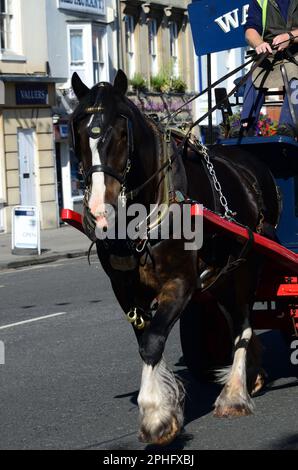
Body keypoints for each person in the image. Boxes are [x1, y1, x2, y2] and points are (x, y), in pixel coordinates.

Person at [241, 0, 298, 134]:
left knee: (295, 76)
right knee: (255, 75)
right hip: (271, 53)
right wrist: (259, 44)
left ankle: (287, 127)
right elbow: (250, 30)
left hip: (296, 52)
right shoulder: (260, 1)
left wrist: (290, 36)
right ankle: (245, 125)